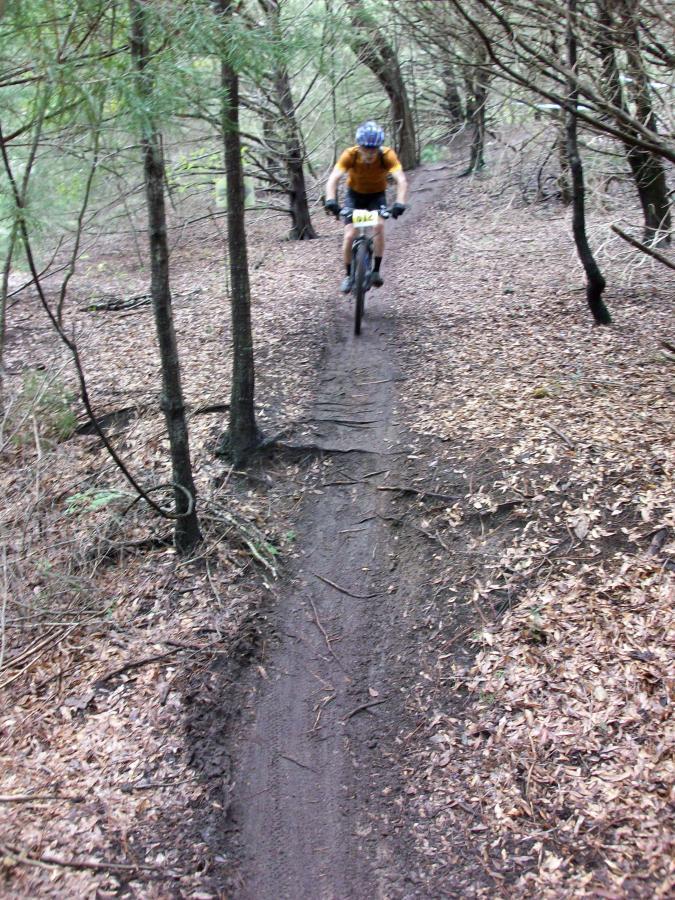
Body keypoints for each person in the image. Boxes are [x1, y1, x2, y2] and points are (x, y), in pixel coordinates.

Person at [324, 121, 408, 293]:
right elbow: (333, 178)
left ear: (378, 147)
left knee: (378, 226)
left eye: (373, 149)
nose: (369, 153)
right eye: (365, 148)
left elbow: (401, 180)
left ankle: (376, 271)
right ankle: (348, 276)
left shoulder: (387, 155)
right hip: (354, 196)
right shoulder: (350, 155)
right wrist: (331, 200)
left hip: (376, 196)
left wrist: (400, 202)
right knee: (350, 235)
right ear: (359, 146)